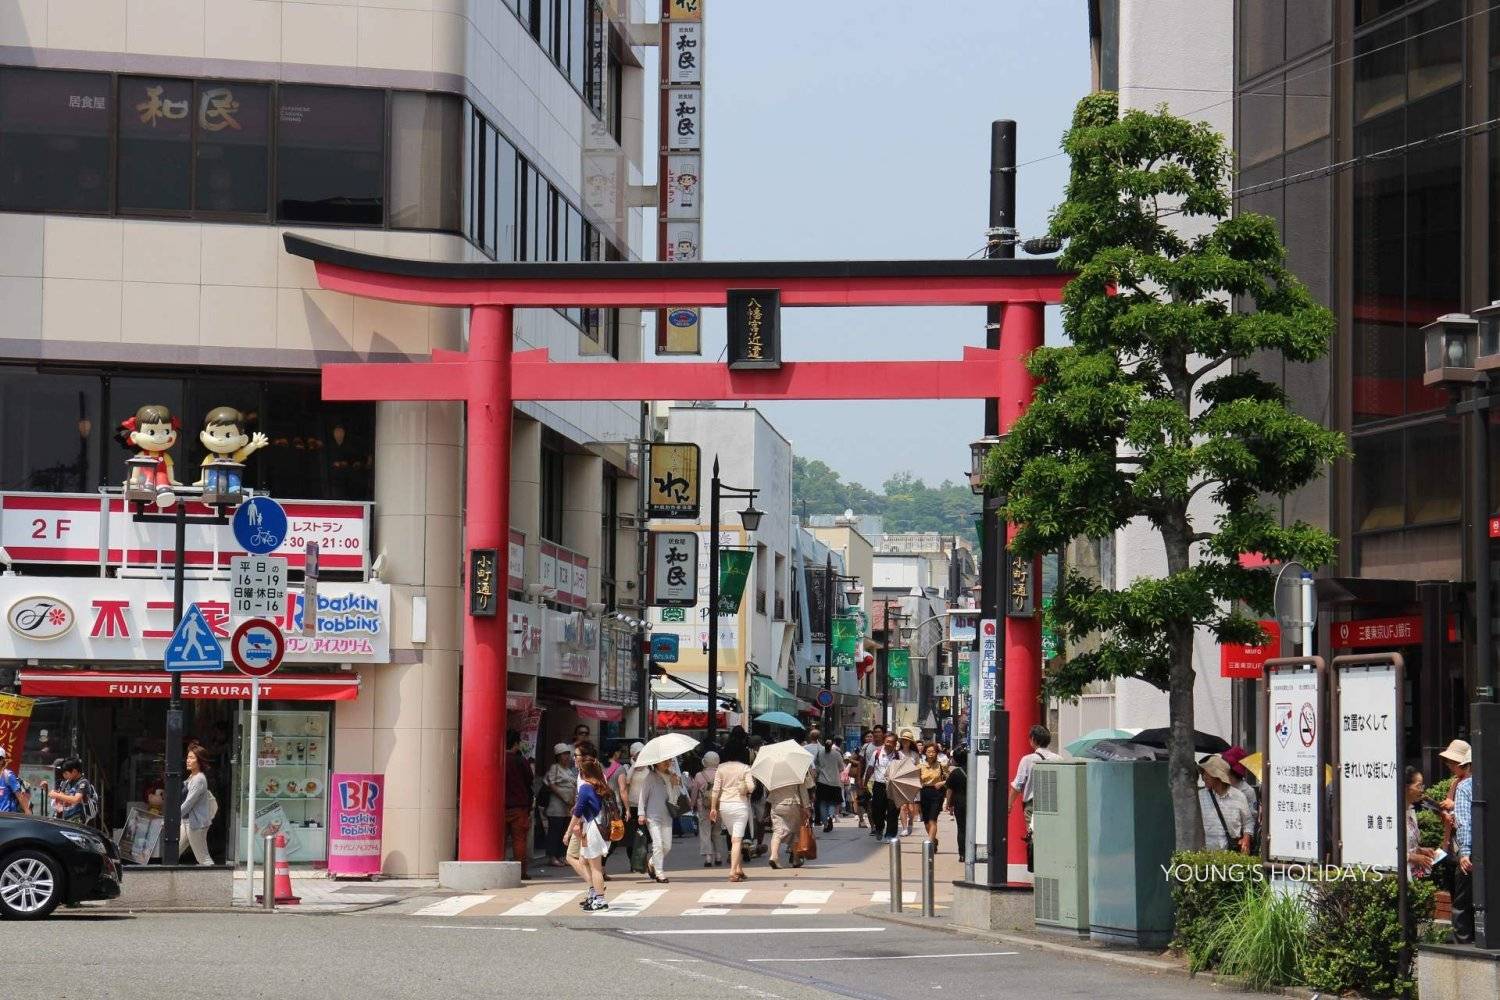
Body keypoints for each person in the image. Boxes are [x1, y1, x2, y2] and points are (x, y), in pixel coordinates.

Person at [568, 760, 611, 911]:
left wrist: (568, 833)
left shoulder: (586, 787)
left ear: (584, 773)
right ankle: (594, 893)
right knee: (583, 860)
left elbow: (577, 812)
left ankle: (600, 900)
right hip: (603, 828)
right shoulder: (602, 786)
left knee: (596, 867)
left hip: (594, 828)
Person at [1006, 725, 1061, 842]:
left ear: (1033, 740)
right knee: (1051, 837)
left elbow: (1017, 785)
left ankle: (1034, 852)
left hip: (1033, 805)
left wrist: (1009, 805)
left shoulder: (1027, 760)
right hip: (1054, 805)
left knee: (1034, 839)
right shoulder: (1058, 759)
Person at [709, 744, 755, 882]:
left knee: (734, 838)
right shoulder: (745, 768)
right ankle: (732, 872)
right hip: (740, 805)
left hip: (724, 806)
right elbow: (751, 787)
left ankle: (739, 868)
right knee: (737, 840)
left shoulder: (721, 768)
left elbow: (716, 789)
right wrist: (745, 787)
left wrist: (713, 808)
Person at [635, 758, 679, 883]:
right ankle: (659, 873)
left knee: (667, 846)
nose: (667, 762)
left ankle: (652, 862)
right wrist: (641, 813)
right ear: (656, 762)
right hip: (653, 816)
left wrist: (675, 784)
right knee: (658, 844)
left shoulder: (672, 776)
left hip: (667, 815)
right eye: (663, 760)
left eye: (669, 760)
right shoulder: (650, 777)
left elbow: (675, 798)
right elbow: (642, 796)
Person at [1198, 754, 1251, 853]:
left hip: (1232, 852)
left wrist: (1246, 839)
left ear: (1217, 776)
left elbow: (1248, 822)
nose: (1203, 778)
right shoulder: (1200, 796)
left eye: (1206, 774)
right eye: (1203, 774)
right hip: (1206, 853)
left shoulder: (1239, 796)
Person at [1449, 741, 1475, 943]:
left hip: (1474, 851)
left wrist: (1465, 852)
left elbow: (1464, 821)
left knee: (1462, 901)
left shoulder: (1465, 786)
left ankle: (1464, 944)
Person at [179, 744, 217, 865]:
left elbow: (189, 803)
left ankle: (215, 876)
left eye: (191, 758)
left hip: (196, 824)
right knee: (172, 852)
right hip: (187, 822)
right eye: (187, 757)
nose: (188, 760)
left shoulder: (199, 779)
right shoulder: (192, 777)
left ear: (199, 761)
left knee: (203, 858)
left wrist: (172, 818)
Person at [503, 730, 534, 880]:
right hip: (519, 806)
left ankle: (497, 865)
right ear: (516, 743)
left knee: (499, 840)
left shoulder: (499, 758)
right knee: (519, 840)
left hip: (500, 806)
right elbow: (529, 779)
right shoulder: (521, 761)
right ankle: (521, 872)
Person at [767, 770, 811, 870]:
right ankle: (796, 859)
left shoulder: (773, 772)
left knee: (777, 831)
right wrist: (806, 807)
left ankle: (774, 856)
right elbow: (803, 791)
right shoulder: (797, 772)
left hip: (776, 804)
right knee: (795, 832)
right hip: (792, 804)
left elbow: (768, 789)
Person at [543, 743, 577, 868]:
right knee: (555, 832)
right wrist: (564, 797)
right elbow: (551, 784)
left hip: (568, 807)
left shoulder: (569, 770)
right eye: (563, 754)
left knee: (564, 831)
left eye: (568, 754)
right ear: (558, 756)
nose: (566, 757)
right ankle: (552, 857)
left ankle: (562, 855)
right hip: (556, 806)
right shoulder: (555, 768)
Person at [1221, 745, 1261, 847]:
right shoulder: (1220, 786)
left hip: (1239, 840)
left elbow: (1251, 818)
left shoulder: (1247, 791)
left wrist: (1246, 838)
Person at [1404, 766, 1438, 879]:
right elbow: (1388, 849)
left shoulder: (1410, 811)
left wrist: (1420, 850)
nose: (1422, 790)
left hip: (1413, 875)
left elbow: (1408, 846)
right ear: (1405, 787)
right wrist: (1413, 857)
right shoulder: (1392, 815)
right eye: (1418, 786)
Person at [692, 751, 723, 867]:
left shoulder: (699, 775)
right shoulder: (721, 774)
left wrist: (692, 804)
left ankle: (708, 857)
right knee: (717, 832)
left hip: (703, 807)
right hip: (718, 806)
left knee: (705, 832)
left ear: (704, 762)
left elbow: (694, 792)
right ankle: (718, 856)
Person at [868, 731, 901, 840]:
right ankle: (879, 827)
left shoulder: (898, 756)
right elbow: (870, 768)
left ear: (895, 743)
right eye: (887, 741)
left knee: (893, 811)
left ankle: (890, 834)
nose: (889, 744)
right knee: (877, 809)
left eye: (891, 742)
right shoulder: (877, 753)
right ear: (884, 741)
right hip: (879, 785)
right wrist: (864, 782)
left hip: (893, 786)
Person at [49, 757, 98, 826]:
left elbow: (76, 799)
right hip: (66, 818)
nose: (64, 775)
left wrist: (57, 795)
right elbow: (60, 799)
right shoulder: (66, 783)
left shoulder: (83, 782)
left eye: (66, 773)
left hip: (78, 819)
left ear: (74, 771)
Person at [918, 742, 950, 846]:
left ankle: (930, 845)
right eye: (928, 752)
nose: (931, 754)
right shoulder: (920, 766)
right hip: (924, 793)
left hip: (937, 793)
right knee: (926, 821)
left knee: (932, 819)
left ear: (937, 753)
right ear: (925, 753)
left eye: (933, 752)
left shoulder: (941, 765)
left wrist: (942, 783)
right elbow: (915, 780)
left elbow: (950, 778)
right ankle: (934, 840)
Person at [812, 737, 844, 832]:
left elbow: (815, 764)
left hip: (822, 782)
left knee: (822, 803)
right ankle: (830, 816)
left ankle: (825, 824)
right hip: (835, 783)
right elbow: (841, 768)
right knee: (832, 803)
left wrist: (820, 769)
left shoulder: (820, 753)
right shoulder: (837, 754)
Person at [945, 746, 969, 863]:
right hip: (974, 802)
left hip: (960, 803)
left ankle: (962, 854)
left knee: (961, 828)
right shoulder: (975, 770)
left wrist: (948, 803)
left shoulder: (955, 773)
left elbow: (950, 790)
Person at [897, 730, 921, 836]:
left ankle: (910, 822)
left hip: (912, 782)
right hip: (900, 781)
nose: (905, 742)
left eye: (907, 740)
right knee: (903, 806)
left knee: (911, 808)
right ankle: (904, 828)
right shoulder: (897, 753)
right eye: (903, 740)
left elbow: (918, 768)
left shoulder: (915, 754)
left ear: (911, 742)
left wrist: (919, 782)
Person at [0, 746, 30, 814]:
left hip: (6, 817)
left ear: (2, 760)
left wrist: (27, 812)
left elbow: (19, 796)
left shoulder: (8, 775)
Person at [847, 755, 869, 829]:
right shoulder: (861, 752)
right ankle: (861, 820)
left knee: (865, 801)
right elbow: (849, 760)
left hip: (868, 779)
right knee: (860, 800)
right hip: (860, 779)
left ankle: (863, 820)